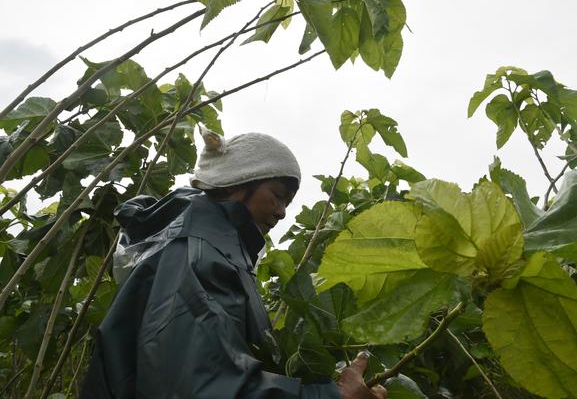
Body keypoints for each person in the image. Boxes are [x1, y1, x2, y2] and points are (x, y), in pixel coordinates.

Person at [80, 130, 387, 399]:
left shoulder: (214, 247)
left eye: (287, 204)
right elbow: (201, 387)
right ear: (240, 181)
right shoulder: (198, 253)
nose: (281, 213)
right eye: (278, 196)